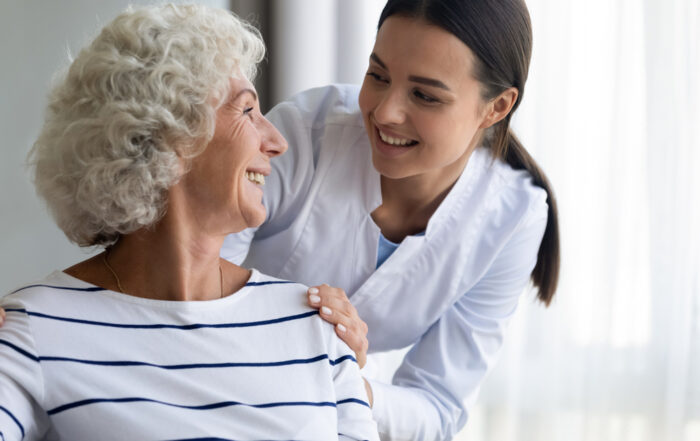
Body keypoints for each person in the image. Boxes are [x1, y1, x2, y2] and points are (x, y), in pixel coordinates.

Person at [0, 5, 378, 441]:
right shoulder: (33, 331)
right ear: (170, 133)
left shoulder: (314, 327)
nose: (276, 141)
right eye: (247, 111)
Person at [221, 0, 560, 439]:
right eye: (377, 76)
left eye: (424, 95)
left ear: (496, 107)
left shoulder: (514, 217)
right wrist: (311, 341)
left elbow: (438, 407)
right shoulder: (304, 134)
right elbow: (196, 280)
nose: (384, 113)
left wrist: (343, 381)